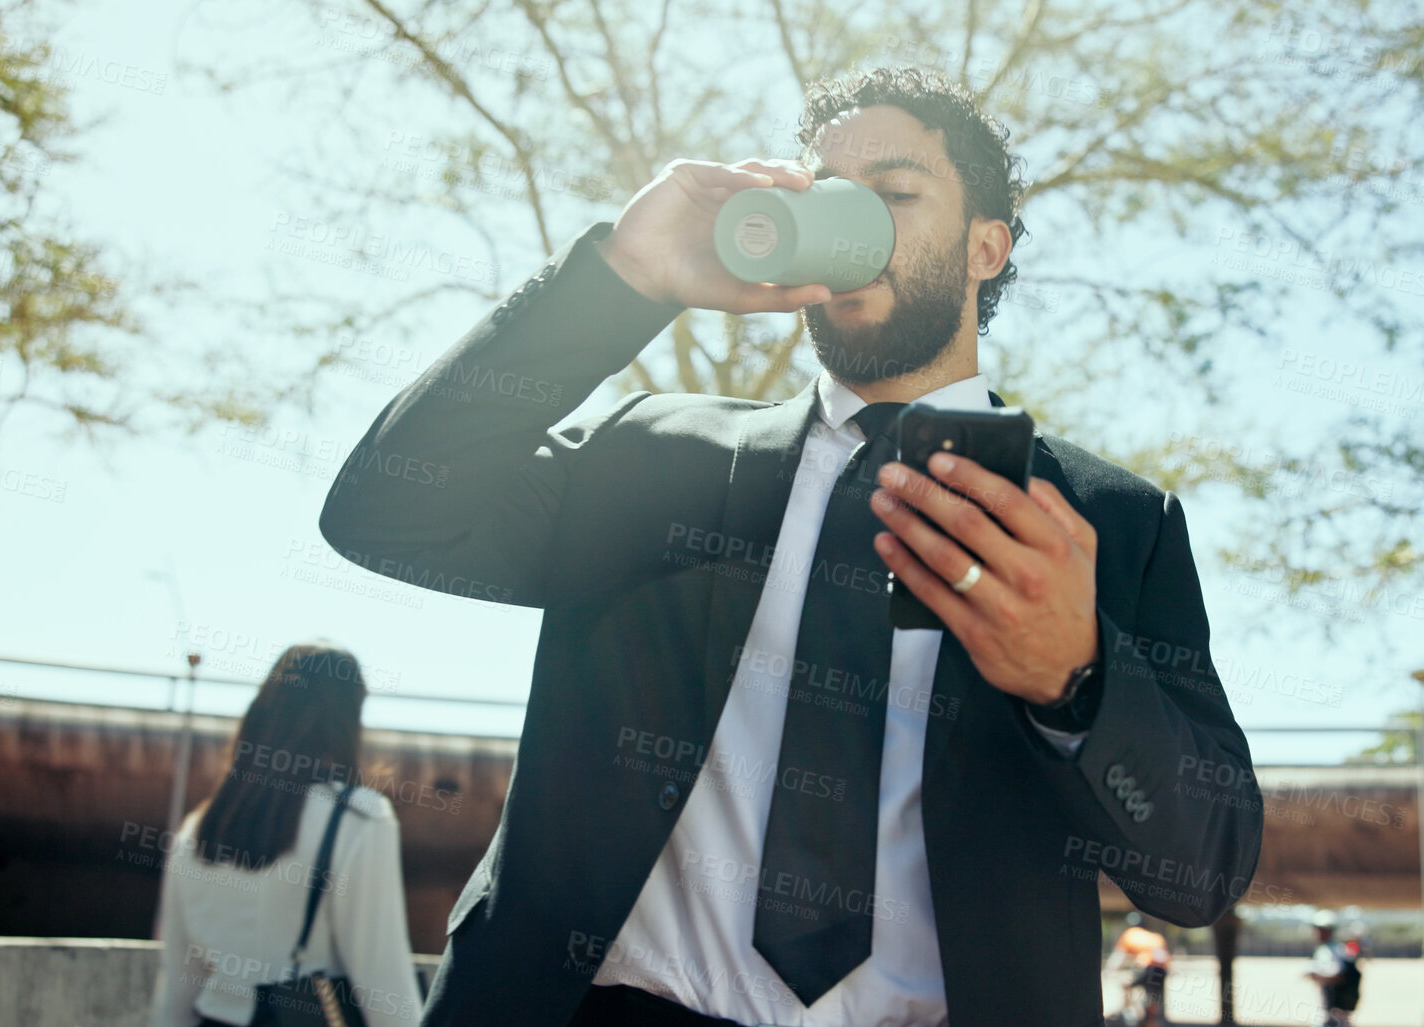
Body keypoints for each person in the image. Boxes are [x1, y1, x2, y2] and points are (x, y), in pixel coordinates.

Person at [319, 65, 1262, 1026]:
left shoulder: (1109, 522)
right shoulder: (653, 455)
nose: (853, 222)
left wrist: (1078, 680)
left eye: (895, 193)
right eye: (829, 193)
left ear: (986, 247)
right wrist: (623, 277)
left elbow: (1199, 873)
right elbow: (386, 510)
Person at [148, 643, 423, 1027]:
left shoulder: (198, 829)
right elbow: (384, 985)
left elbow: (176, 994)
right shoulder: (359, 818)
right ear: (346, 721)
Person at [1106, 912, 1172, 1026]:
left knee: (1127, 986)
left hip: (1148, 968)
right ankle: (1151, 1020)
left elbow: (1119, 956)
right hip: (1162, 971)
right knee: (1154, 998)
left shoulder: (1131, 934)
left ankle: (1131, 1012)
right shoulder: (1157, 937)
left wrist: (1109, 969)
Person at [1304, 909, 1356, 1027]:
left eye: (1321, 930)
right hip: (1333, 1008)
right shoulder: (1330, 948)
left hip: (1335, 1008)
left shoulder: (1332, 950)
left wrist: (1316, 976)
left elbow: (1339, 976)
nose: (1318, 933)